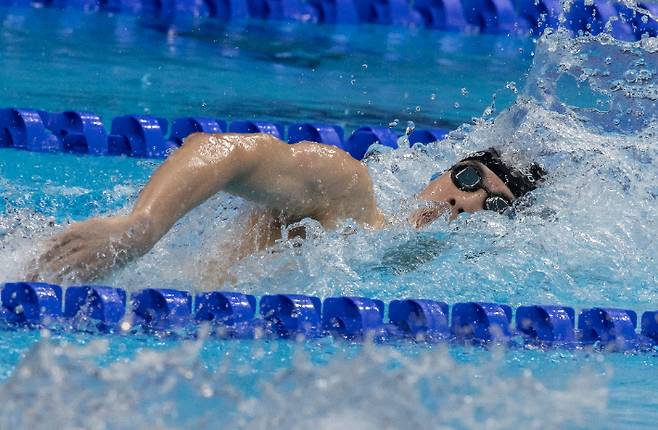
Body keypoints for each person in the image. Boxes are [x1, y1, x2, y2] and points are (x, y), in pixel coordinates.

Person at [29, 132, 545, 284]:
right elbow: (229, 152)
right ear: (444, 171)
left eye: (493, 206)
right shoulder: (348, 192)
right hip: (92, 271)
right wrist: (142, 227)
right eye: (469, 177)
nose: (465, 201)